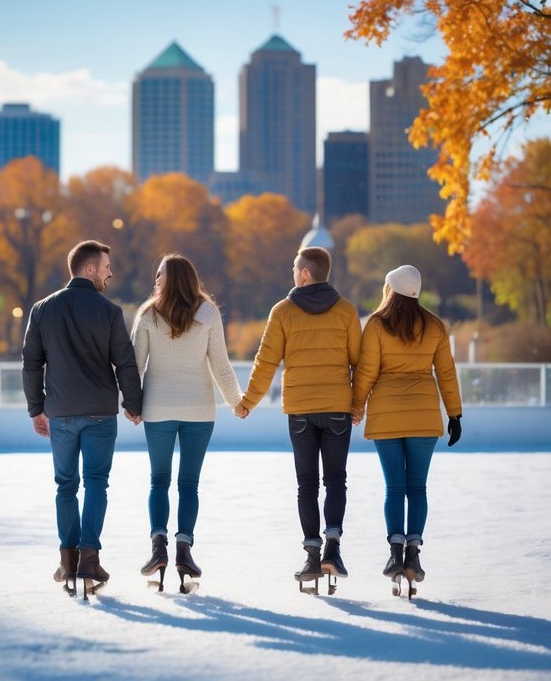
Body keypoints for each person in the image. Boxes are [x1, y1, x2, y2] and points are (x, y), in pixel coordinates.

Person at [22, 239, 143, 599]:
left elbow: (32, 363)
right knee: (96, 484)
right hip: (100, 414)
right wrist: (133, 403)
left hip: (59, 413)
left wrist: (36, 407)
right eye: (106, 265)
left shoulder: (42, 310)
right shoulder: (109, 311)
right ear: (89, 269)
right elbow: (124, 362)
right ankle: (89, 560)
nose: (110, 271)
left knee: (65, 486)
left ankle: (67, 560)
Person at [234, 246, 362, 585]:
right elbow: (358, 362)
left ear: (305, 273)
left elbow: (266, 362)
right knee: (335, 478)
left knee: (306, 483)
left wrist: (248, 401)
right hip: (337, 407)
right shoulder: (347, 311)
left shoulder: (283, 312)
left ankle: (311, 556)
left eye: (295, 267)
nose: (293, 272)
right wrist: (357, 403)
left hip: (301, 410)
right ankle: (333, 549)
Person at [130, 254, 242, 589]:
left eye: (159, 272)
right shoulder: (207, 312)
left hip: (158, 409)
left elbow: (134, 366)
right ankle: (183, 550)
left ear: (171, 277)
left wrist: (133, 405)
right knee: (188, 484)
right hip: (199, 410)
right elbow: (220, 365)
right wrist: (237, 402)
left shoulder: (149, 313)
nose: (156, 277)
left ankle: (158, 548)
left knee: (159, 480)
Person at [350, 265, 463, 589]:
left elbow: (367, 372)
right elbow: (447, 373)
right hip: (424, 417)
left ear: (391, 289)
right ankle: (413, 554)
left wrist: (356, 407)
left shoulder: (376, 325)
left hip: (386, 415)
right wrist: (454, 414)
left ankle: (394, 552)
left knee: (394, 488)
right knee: (417, 488)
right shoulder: (434, 326)